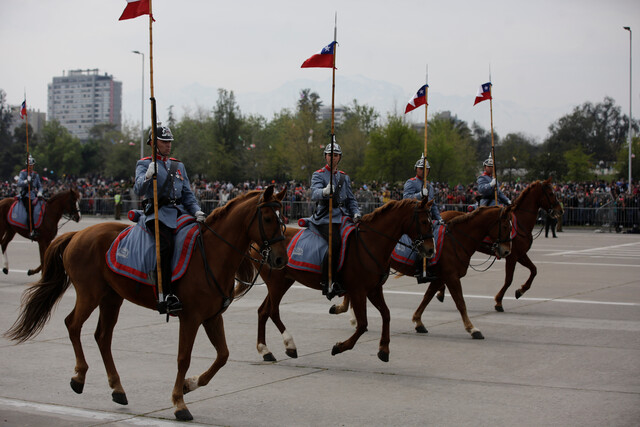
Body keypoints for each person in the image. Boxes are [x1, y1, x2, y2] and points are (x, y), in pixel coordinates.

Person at [134, 124, 206, 315]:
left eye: (169, 142)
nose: (168, 145)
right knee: (165, 246)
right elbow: (138, 190)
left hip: (180, 213)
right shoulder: (144, 163)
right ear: (153, 143)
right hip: (158, 213)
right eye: (164, 141)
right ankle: (165, 294)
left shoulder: (178, 165)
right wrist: (148, 175)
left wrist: (197, 211)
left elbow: (187, 194)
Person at [309, 141, 361, 300]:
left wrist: (356, 213)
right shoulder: (318, 174)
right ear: (325, 156)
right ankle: (328, 282)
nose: (333, 157)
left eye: (336, 155)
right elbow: (314, 193)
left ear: (340, 157)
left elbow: (351, 199)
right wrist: (324, 191)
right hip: (325, 217)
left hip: (343, 216)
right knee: (335, 242)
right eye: (330, 154)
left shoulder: (344, 177)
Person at [404, 157, 444, 283]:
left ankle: (435, 265)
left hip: (427, 218)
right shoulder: (411, 182)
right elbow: (406, 199)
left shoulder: (430, 186)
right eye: (421, 168)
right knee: (420, 242)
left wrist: (439, 218)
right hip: (414, 218)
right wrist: (419, 195)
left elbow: (433, 205)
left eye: (426, 169)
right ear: (416, 169)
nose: (424, 171)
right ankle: (419, 269)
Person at [16, 155, 42, 239]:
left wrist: (40, 193)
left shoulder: (36, 175)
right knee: (30, 210)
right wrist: (26, 181)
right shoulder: (23, 173)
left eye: (31, 165)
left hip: (34, 195)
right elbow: (19, 183)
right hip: (26, 195)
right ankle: (31, 230)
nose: (30, 167)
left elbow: (39, 186)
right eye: (29, 165)